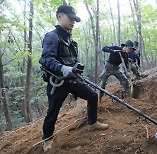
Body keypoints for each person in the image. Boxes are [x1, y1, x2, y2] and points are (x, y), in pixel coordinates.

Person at [40, 5, 108, 152]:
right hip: (57, 83)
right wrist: (63, 68)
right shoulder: (52, 36)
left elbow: (73, 61)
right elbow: (46, 60)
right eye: (70, 18)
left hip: (73, 80)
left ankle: (92, 123)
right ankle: (47, 140)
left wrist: (76, 71)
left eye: (74, 19)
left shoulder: (71, 40)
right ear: (59, 16)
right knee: (53, 111)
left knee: (92, 95)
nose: (73, 22)